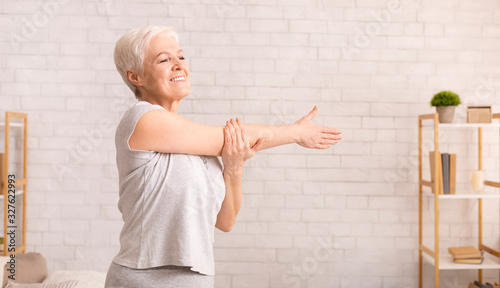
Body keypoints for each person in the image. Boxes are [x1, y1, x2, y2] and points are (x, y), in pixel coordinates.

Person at [104, 25, 342, 288]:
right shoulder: (141, 119)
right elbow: (228, 138)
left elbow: (225, 221)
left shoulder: (199, 147)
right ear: (135, 76)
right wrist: (295, 132)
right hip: (142, 278)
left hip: (196, 280)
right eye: (164, 59)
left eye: (180, 57)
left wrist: (233, 168)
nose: (178, 65)